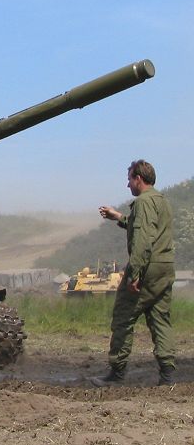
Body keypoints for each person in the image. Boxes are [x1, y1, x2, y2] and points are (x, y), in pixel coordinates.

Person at [91, 159, 175, 387]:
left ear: (138, 178)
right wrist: (118, 217)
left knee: (123, 316)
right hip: (165, 266)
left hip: (147, 267)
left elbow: (142, 240)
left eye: (129, 179)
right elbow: (146, 227)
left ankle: (117, 373)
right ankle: (167, 376)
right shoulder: (162, 201)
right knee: (160, 319)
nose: (128, 184)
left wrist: (135, 274)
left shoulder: (143, 203)